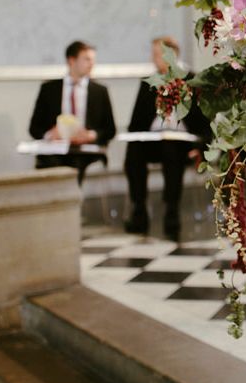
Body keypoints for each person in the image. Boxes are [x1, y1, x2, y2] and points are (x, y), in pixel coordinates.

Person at [123, 37, 210, 241]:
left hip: (182, 143)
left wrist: (200, 146)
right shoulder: (149, 83)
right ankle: (139, 210)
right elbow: (135, 123)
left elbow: (205, 123)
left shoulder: (192, 80)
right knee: (134, 151)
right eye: (153, 55)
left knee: (171, 149)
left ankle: (172, 211)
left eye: (158, 55)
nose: (154, 60)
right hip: (153, 139)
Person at [29, 40, 116, 183]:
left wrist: (90, 135)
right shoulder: (49, 89)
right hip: (56, 150)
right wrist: (50, 134)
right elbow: (34, 128)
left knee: (77, 165)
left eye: (93, 60)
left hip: (85, 151)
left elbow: (110, 130)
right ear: (71, 60)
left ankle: (74, 203)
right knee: (52, 166)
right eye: (86, 59)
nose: (91, 64)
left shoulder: (100, 91)